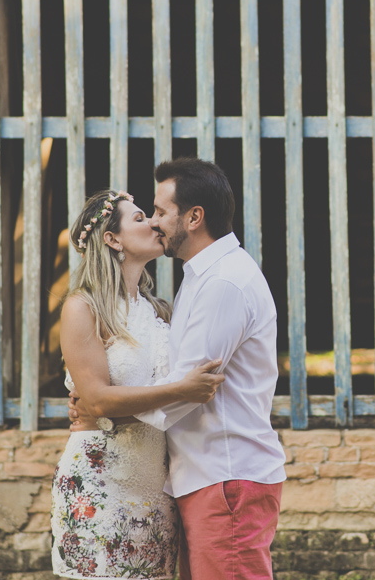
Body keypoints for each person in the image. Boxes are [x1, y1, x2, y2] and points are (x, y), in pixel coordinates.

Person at [72, 158, 287, 580]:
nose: (155, 222)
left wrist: (102, 409)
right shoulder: (198, 279)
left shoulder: (222, 283)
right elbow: (178, 385)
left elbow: (188, 390)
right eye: (148, 213)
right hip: (195, 478)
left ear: (194, 217)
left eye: (160, 212)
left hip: (225, 475)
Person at [52, 189, 226, 580]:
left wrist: (117, 402)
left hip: (156, 490)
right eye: (140, 217)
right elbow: (96, 400)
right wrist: (180, 392)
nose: (153, 223)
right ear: (112, 240)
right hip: (100, 483)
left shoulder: (161, 311)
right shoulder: (83, 307)